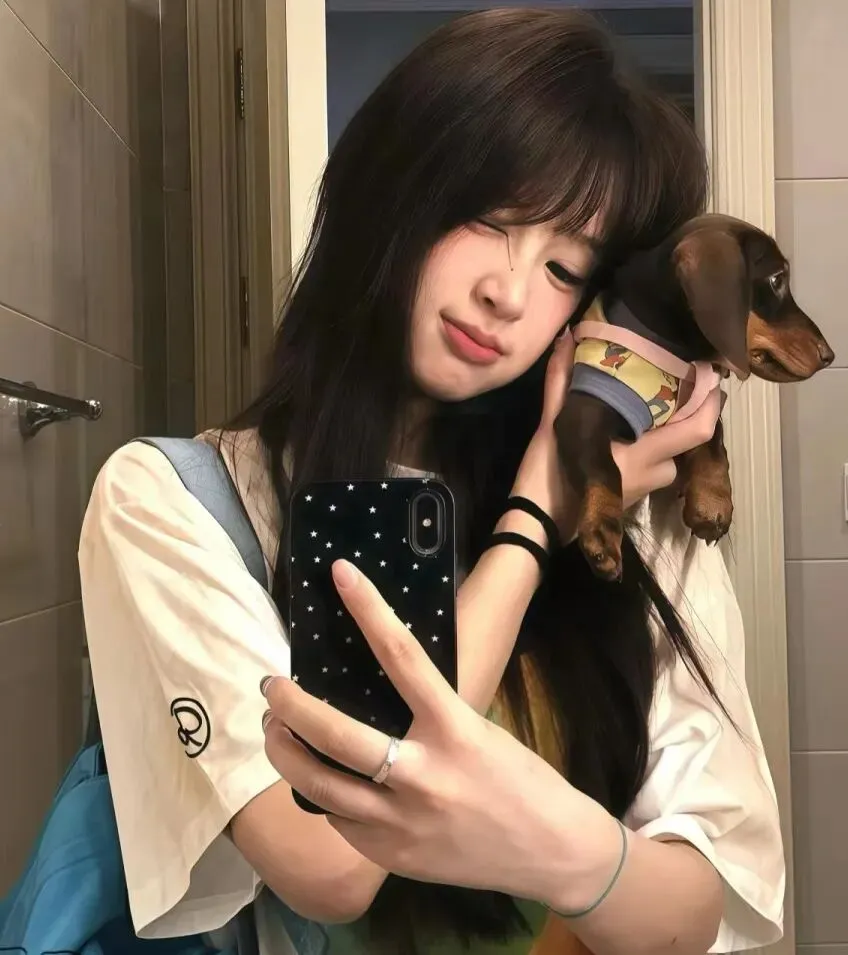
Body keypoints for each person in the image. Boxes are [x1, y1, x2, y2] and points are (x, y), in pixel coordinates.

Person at [77, 8, 784, 955]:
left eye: (564, 266)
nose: (509, 292)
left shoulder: (631, 523)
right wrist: (534, 517)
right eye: (488, 219)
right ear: (390, 191)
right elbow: (331, 863)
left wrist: (560, 850)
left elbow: (697, 910)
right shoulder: (177, 504)